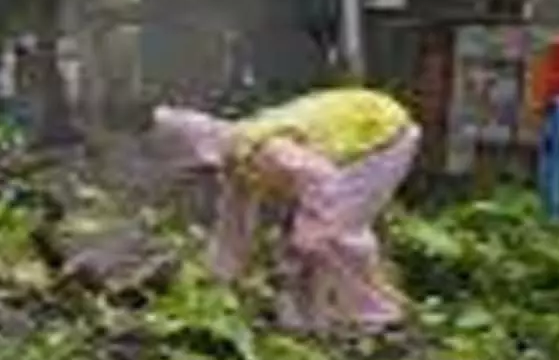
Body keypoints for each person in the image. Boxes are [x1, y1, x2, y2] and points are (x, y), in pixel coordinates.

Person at [148, 86, 422, 334]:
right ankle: (312, 322)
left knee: (335, 236)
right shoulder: (239, 161)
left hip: (383, 135)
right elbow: (233, 230)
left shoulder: (267, 152)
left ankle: (378, 319)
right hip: (348, 142)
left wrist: (309, 233)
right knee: (303, 241)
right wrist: (220, 281)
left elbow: (321, 178)